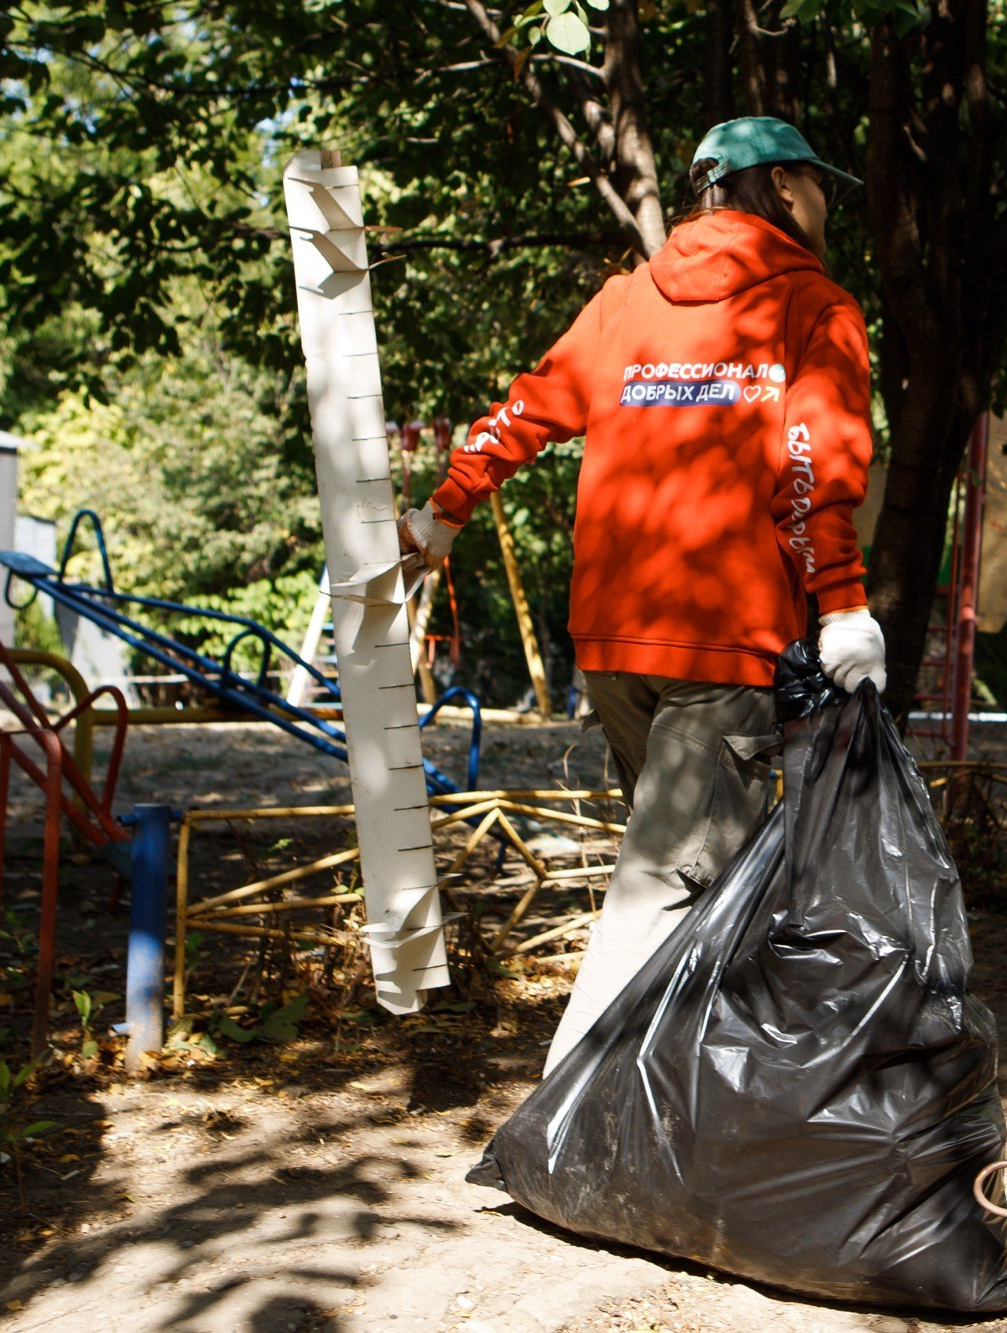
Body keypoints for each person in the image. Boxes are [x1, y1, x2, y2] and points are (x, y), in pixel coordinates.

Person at [397, 116, 886, 1070]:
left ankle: (685, 1099)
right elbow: (816, 467)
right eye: (821, 185)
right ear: (785, 188)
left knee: (696, 885)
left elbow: (528, 406)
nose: (828, 203)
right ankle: (569, 1110)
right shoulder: (815, 307)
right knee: (664, 892)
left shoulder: (626, 300)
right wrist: (843, 605)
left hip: (614, 645)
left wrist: (446, 510)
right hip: (723, 649)